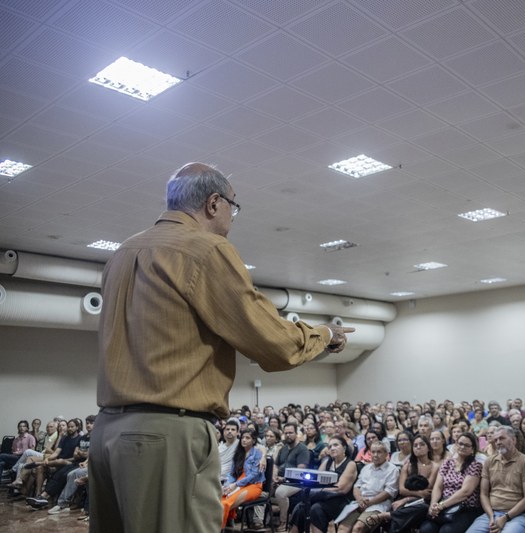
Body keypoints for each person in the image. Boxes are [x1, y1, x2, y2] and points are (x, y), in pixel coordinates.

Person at [89, 163, 353, 532]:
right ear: (214, 203)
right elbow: (272, 342)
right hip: (167, 433)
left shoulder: (122, 252)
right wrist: (322, 335)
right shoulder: (206, 248)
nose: (232, 216)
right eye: (234, 206)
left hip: (107, 431)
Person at [466, 426, 525, 533]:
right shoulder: (490, 461)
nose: (498, 442)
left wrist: (505, 517)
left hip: (518, 515)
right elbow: (483, 494)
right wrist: (491, 517)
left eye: (502, 438)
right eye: (496, 440)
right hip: (492, 513)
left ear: (513, 440)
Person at [288, 436, 357, 533]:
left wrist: (320, 490)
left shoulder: (350, 464)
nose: (332, 448)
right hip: (323, 497)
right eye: (330, 447)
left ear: (344, 448)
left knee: (315, 509)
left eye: (336, 445)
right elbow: (315, 481)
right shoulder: (327, 462)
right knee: (301, 507)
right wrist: (319, 491)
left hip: (341, 500)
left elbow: (340, 488)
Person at [420, 432, 483, 533]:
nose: (462, 447)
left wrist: (442, 506)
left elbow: (465, 492)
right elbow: (438, 487)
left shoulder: (475, 466)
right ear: (456, 444)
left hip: (465, 508)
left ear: (472, 449)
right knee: (426, 529)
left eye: (467, 445)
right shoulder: (448, 462)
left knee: (447, 531)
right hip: (443, 506)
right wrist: (433, 505)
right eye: (460, 443)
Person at [337, 441, 399, 533]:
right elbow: (356, 486)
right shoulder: (366, 468)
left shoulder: (392, 469)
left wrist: (368, 503)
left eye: (379, 452)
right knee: (343, 528)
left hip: (379, 505)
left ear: (386, 453)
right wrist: (359, 499)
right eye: (373, 452)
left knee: (358, 528)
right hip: (360, 503)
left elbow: (388, 492)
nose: (375, 455)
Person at [221, 429, 265, 529]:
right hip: (239, 483)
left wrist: (235, 485)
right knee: (220, 500)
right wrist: (228, 485)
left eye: (247, 438)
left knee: (226, 503)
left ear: (253, 440)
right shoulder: (239, 453)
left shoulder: (257, 454)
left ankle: (219, 528)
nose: (244, 440)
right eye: (243, 438)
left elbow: (253, 475)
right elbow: (232, 473)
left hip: (254, 485)